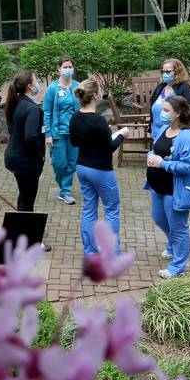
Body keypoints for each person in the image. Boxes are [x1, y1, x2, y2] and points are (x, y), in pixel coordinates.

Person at [69, 79, 129, 255]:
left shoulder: (75, 117)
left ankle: (89, 251)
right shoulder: (99, 120)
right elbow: (109, 147)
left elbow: (74, 142)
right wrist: (121, 135)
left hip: (82, 168)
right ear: (95, 96)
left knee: (89, 208)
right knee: (111, 209)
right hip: (101, 170)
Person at [145, 96, 190, 279]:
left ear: (177, 114)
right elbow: (157, 148)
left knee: (178, 228)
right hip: (157, 186)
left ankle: (177, 267)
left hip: (175, 190)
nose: (162, 113)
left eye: (166, 110)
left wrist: (162, 164)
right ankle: (172, 245)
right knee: (159, 218)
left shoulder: (188, 136)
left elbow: (188, 166)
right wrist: (151, 154)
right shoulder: (165, 128)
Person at [4, 70, 46, 213]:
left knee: (24, 195)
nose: (38, 84)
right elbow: (30, 137)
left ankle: (22, 228)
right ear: (29, 85)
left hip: (15, 157)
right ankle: (25, 232)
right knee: (28, 198)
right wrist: (39, 155)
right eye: (36, 81)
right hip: (26, 161)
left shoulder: (16, 103)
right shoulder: (32, 108)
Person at [43, 56, 81, 205]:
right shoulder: (52, 89)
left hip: (74, 133)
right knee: (59, 164)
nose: (67, 69)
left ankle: (65, 191)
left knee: (72, 163)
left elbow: (83, 108)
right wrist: (48, 134)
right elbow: (46, 112)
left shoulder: (78, 87)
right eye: (64, 67)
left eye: (70, 66)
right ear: (58, 69)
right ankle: (62, 184)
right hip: (57, 133)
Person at [149, 58, 190, 140]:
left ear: (177, 72)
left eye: (168, 72)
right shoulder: (160, 87)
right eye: (163, 71)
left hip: (176, 136)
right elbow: (152, 109)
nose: (164, 74)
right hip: (156, 134)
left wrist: (182, 131)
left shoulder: (184, 88)